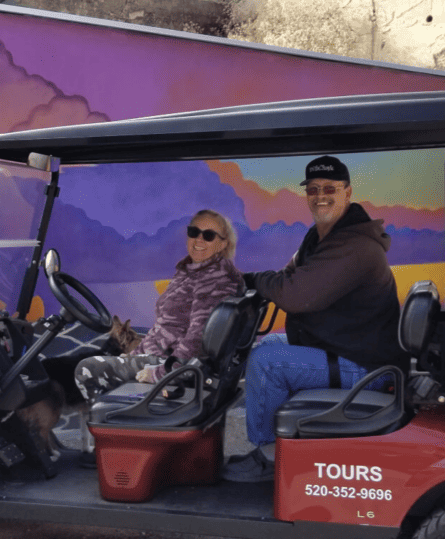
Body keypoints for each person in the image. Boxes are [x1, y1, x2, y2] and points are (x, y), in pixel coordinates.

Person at [222, 155, 409, 483]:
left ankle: (270, 456)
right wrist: (258, 284)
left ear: (347, 193)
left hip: (369, 369)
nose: (320, 195)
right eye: (313, 189)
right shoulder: (321, 237)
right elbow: (290, 276)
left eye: (329, 188)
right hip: (348, 348)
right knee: (272, 343)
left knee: (266, 361)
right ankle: (287, 443)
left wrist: (251, 281)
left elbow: (297, 294)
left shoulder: (355, 245)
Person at [74, 209, 244, 464]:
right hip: (159, 354)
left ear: (222, 243)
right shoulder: (194, 269)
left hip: (175, 367)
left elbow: (198, 337)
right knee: (108, 361)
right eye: (193, 232)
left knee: (87, 368)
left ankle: (114, 445)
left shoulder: (215, 279)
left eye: (208, 235)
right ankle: (125, 440)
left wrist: (163, 371)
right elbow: (170, 326)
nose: (198, 240)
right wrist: (137, 354)